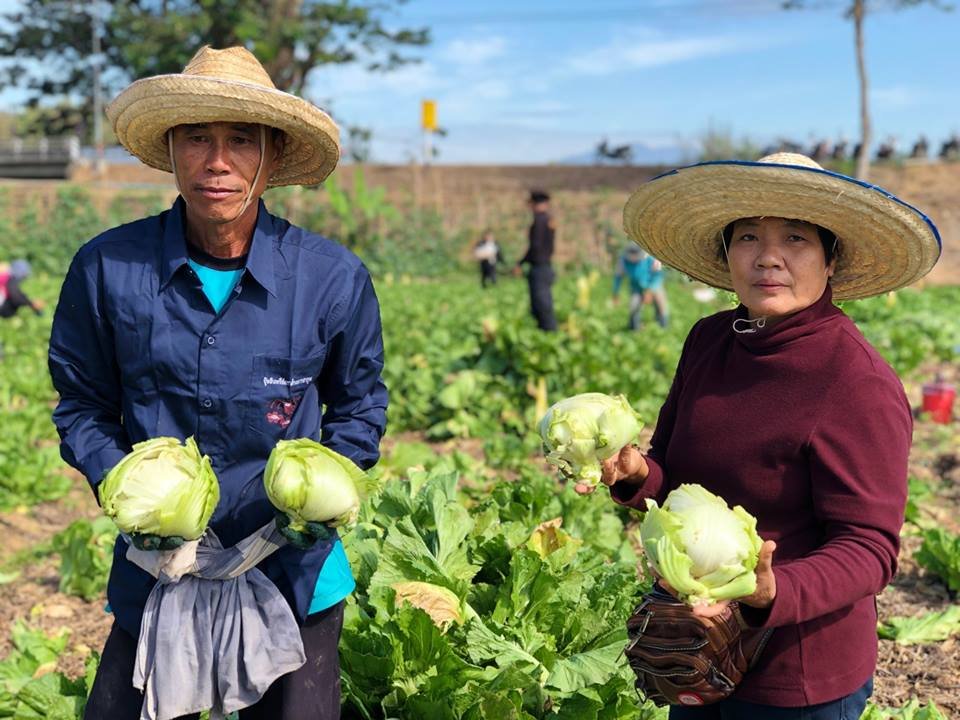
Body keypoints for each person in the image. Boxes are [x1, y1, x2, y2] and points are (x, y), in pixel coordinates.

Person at [48, 46, 387, 720]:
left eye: (240, 140)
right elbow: (82, 404)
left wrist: (321, 494)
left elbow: (359, 406)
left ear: (272, 156)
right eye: (197, 138)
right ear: (172, 151)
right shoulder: (107, 268)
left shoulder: (330, 278)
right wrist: (125, 486)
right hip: (160, 567)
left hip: (294, 569)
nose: (218, 161)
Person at [594, 152, 941, 718]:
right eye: (749, 236)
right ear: (726, 253)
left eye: (796, 239)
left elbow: (870, 549)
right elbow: (676, 480)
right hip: (697, 649)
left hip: (798, 674)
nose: (769, 257)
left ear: (831, 260)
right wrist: (636, 474)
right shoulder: (710, 339)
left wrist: (769, 590)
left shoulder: (856, 379)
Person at [515, 189, 557, 330]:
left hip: (539, 269)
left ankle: (550, 337)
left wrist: (520, 263)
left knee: (541, 306)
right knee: (542, 305)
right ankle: (547, 336)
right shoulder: (549, 220)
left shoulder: (540, 220)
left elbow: (535, 246)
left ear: (535, 204)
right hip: (546, 267)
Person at [612, 245, 669, 329]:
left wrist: (650, 291)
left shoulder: (650, 258)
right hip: (636, 288)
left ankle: (662, 326)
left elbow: (658, 276)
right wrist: (615, 293)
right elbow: (618, 277)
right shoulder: (623, 260)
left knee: (661, 304)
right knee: (633, 305)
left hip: (653, 285)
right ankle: (634, 328)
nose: (634, 258)